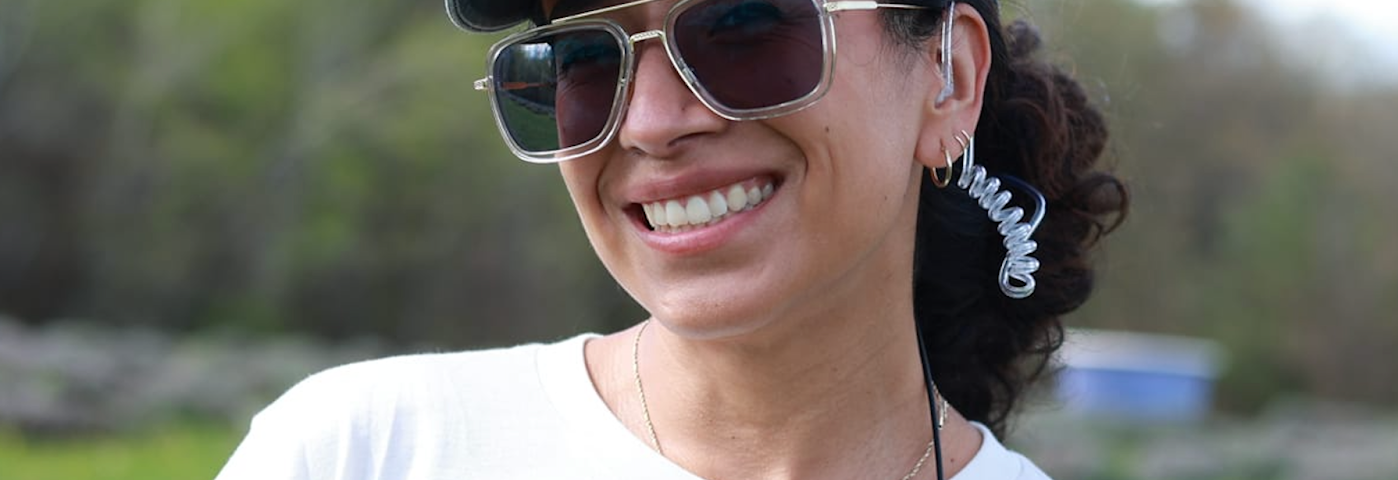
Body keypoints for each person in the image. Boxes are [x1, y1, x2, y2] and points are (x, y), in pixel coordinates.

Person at [214, 0, 1127, 478]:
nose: (650, 124)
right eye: (581, 57)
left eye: (744, 27)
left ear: (948, 77)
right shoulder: (365, 454)